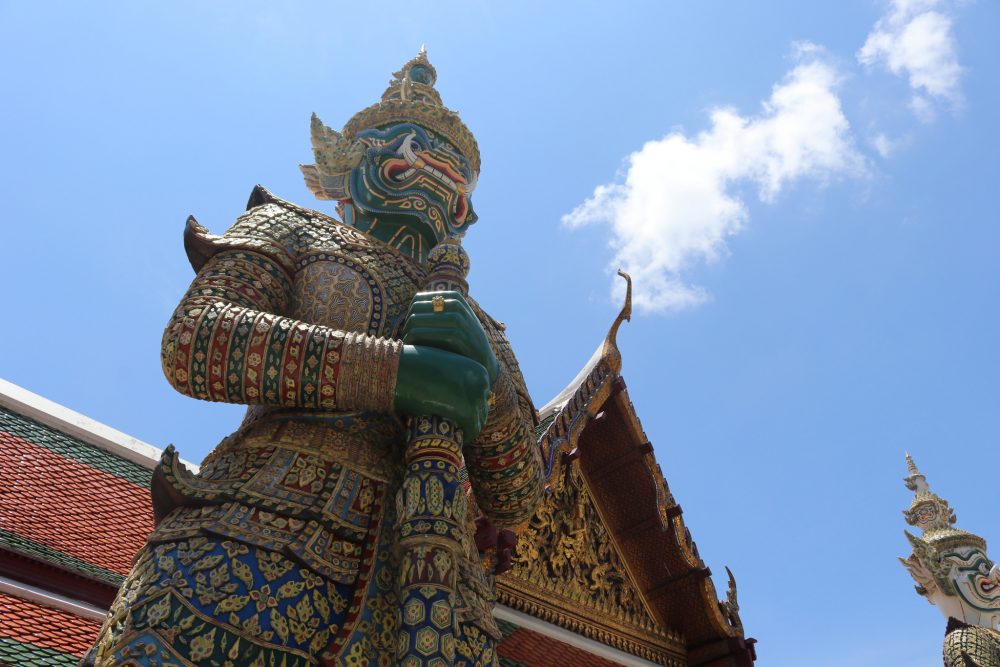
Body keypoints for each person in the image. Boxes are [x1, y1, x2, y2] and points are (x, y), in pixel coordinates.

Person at [87, 49, 543, 667]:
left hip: (432, 600)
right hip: (248, 546)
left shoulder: (481, 327)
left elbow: (518, 494)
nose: (436, 172)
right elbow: (198, 338)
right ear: (345, 167)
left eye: (454, 171)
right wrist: (396, 373)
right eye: (409, 150)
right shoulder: (290, 228)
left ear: (465, 210)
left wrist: (482, 389)